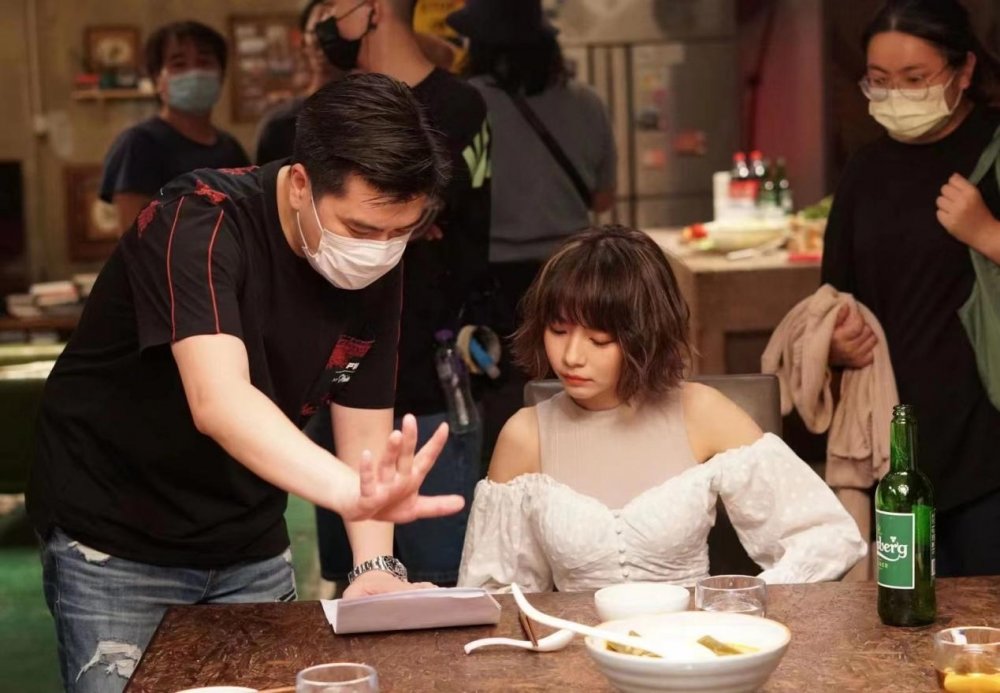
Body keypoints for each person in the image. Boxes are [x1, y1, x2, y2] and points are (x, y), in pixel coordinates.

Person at [28, 73, 460, 693]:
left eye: (402, 233)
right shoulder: (197, 221)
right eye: (364, 230)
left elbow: (364, 424)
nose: (380, 251)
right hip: (117, 536)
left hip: (249, 534)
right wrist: (348, 493)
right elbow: (220, 400)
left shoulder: (374, 258)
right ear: (301, 184)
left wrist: (374, 565)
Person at [457, 226, 866, 592]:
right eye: (558, 331)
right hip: (576, 646)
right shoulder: (526, 435)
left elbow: (828, 538)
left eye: (599, 340)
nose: (571, 356)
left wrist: (737, 605)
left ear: (644, 336)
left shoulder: (700, 412)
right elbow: (493, 596)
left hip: (693, 643)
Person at [299, 0, 490, 589]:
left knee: (439, 578)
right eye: (359, 226)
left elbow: (449, 231)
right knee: (351, 579)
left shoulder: (460, 108)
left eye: (334, 5)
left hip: (425, 385)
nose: (378, 245)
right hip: (332, 385)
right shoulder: (326, 113)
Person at [822, 0, 1000, 577]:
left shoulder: (993, 151)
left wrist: (987, 233)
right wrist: (835, 344)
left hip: (988, 448)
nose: (896, 94)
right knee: (903, 613)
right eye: (880, 80)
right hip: (895, 446)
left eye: (915, 79)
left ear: (964, 70)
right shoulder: (865, 170)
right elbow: (835, 296)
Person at [446, 0, 617, 458]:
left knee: (503, 395)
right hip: (573, 272)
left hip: (494, 281)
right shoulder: (587, 103)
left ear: (479, 47)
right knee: (577, 386)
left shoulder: (465, 105)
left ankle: (509, 475)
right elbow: (603, 198)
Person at [100, 21, 250, 230]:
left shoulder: (230, 148)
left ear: (221, 76)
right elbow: (133, 237)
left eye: (204, 62)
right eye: (179, 64)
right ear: (157, 80)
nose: (194, 73)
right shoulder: (138, 145)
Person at [255, 1, 345, 165]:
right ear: (304, 43)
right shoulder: (280, 125)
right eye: (317, 31)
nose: (325, 40)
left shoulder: (373, 115)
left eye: (333, 29)